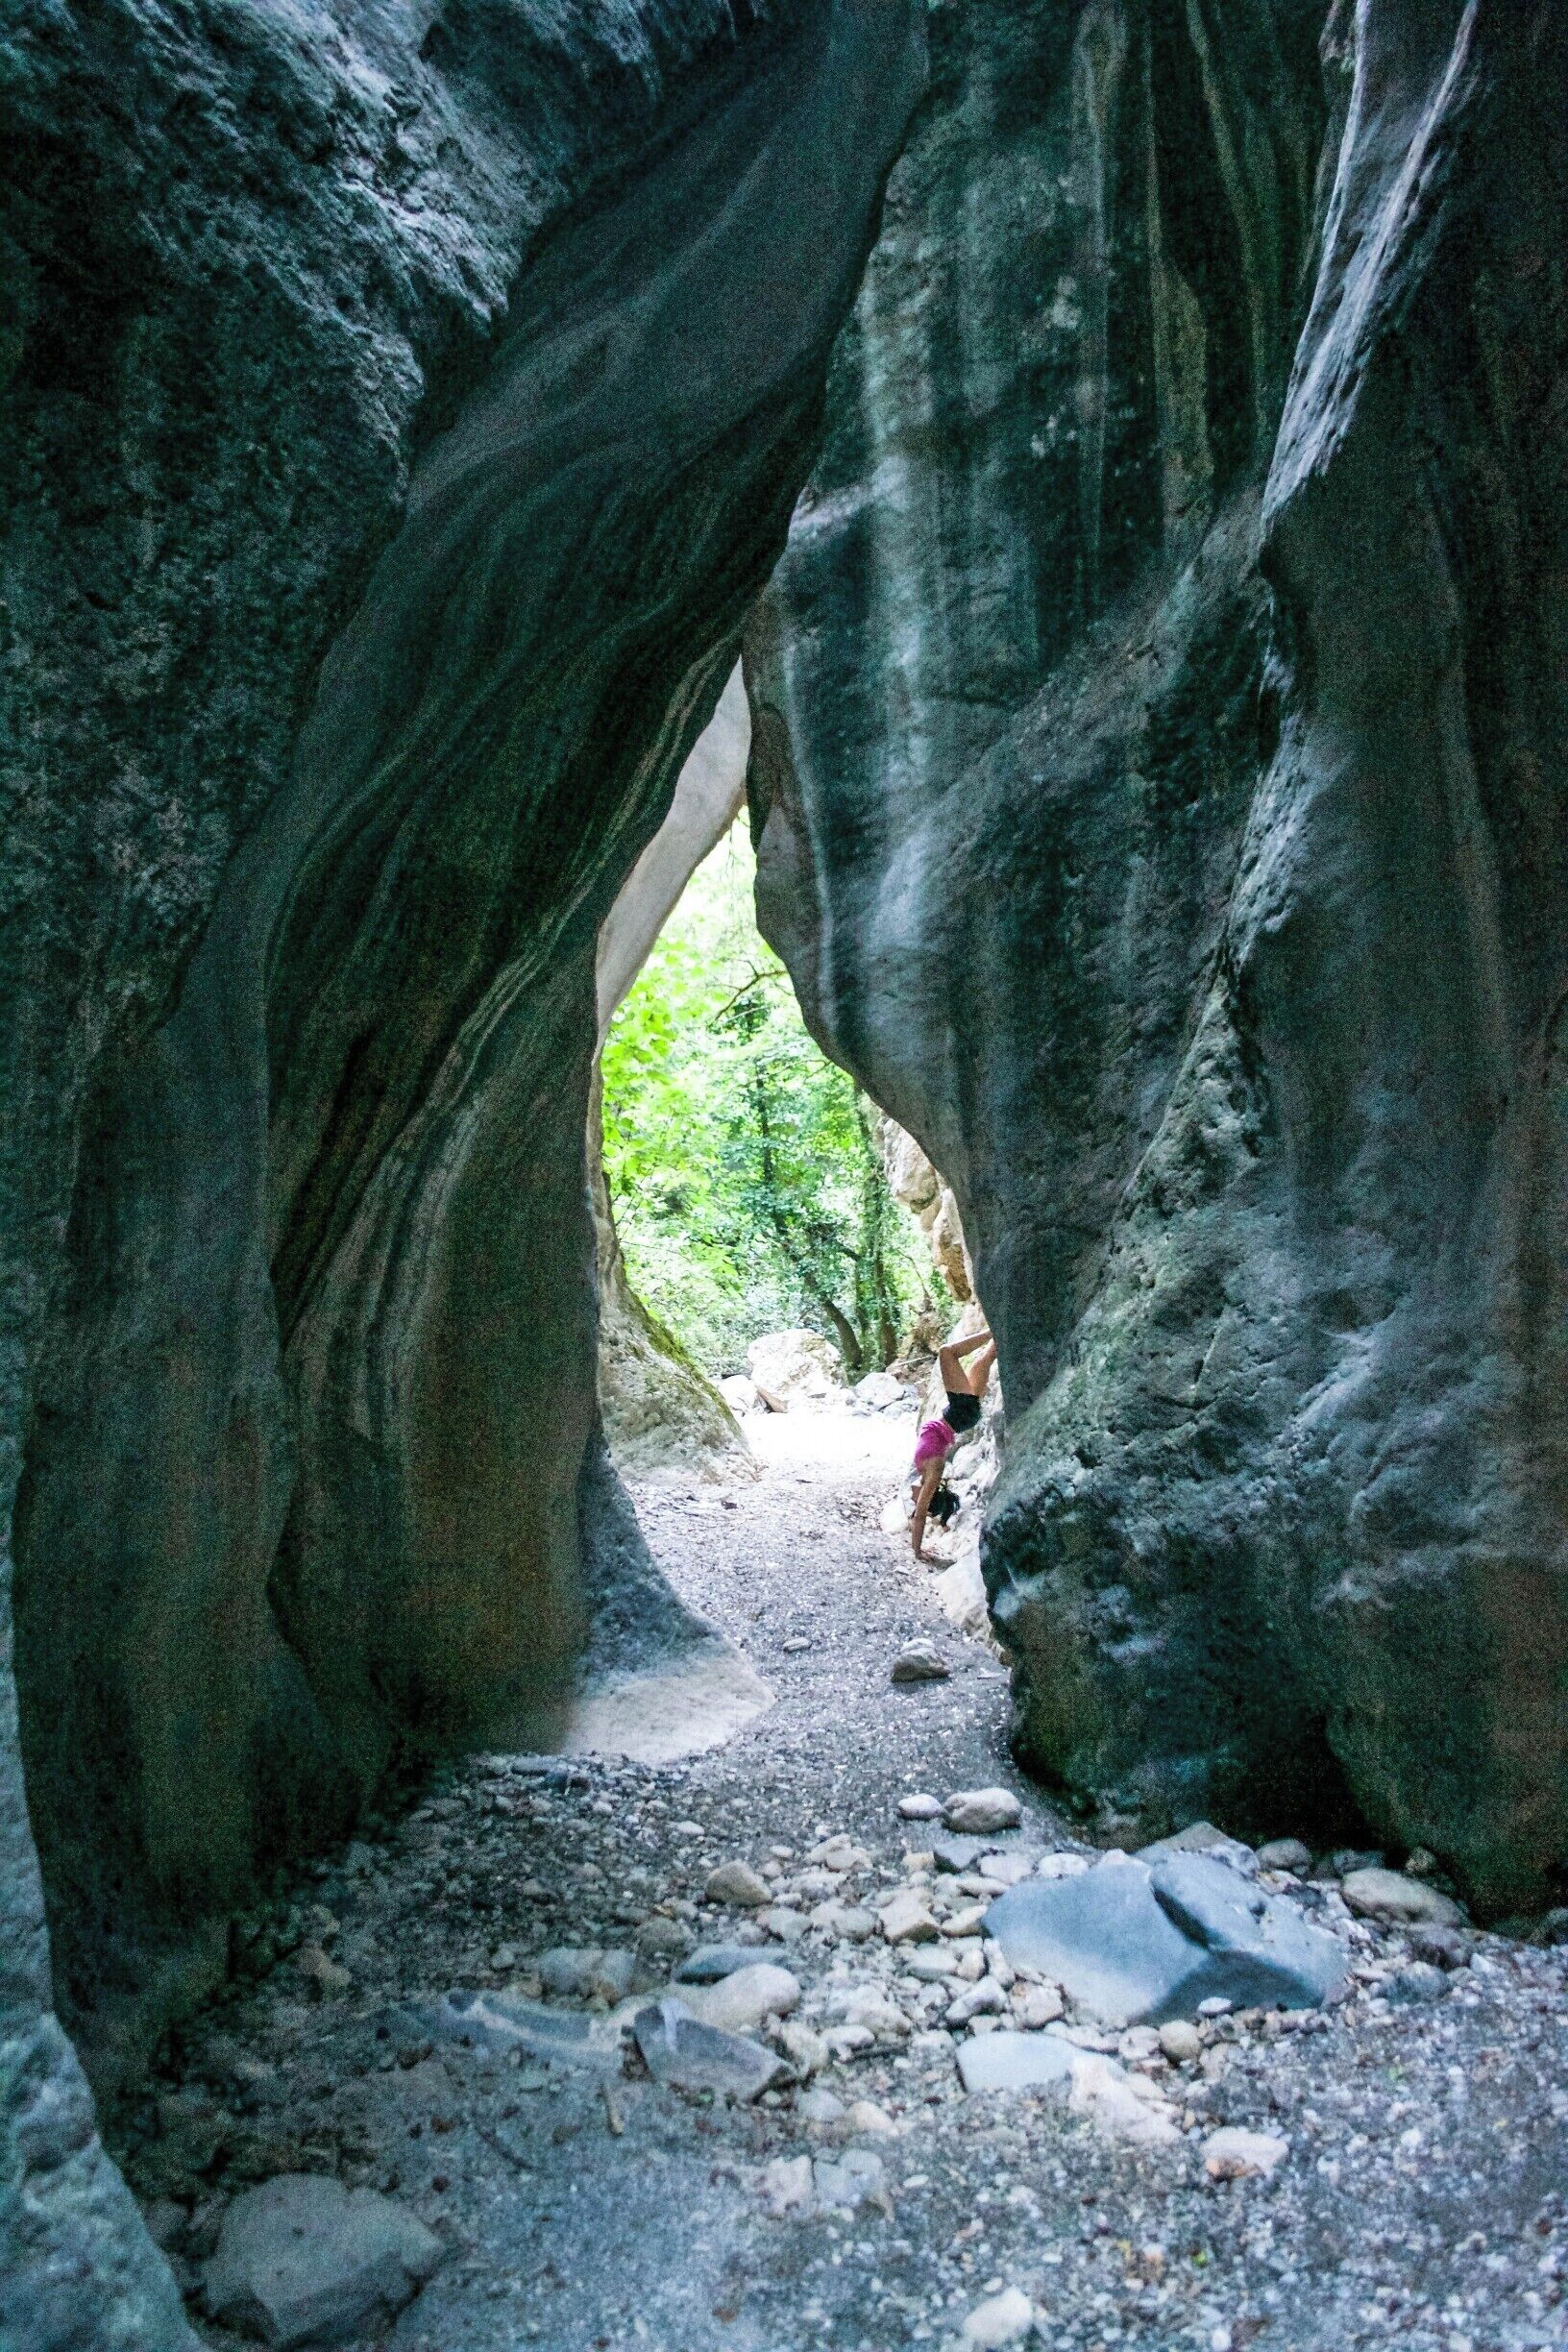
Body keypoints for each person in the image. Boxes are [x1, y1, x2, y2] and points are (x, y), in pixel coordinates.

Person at [909, 1326, 995, 1559]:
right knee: (947, 1352)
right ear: (928, 1495)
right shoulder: (934, 1470)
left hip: (963, 1414)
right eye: (916, 1498)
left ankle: (1005, 1327)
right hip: (961, 1412)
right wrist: (917, 1551)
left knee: (983, 1360)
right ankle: (993, 1330)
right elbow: (919, 1515)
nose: (911, 1496)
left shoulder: (922, 1471)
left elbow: (915, 1513)